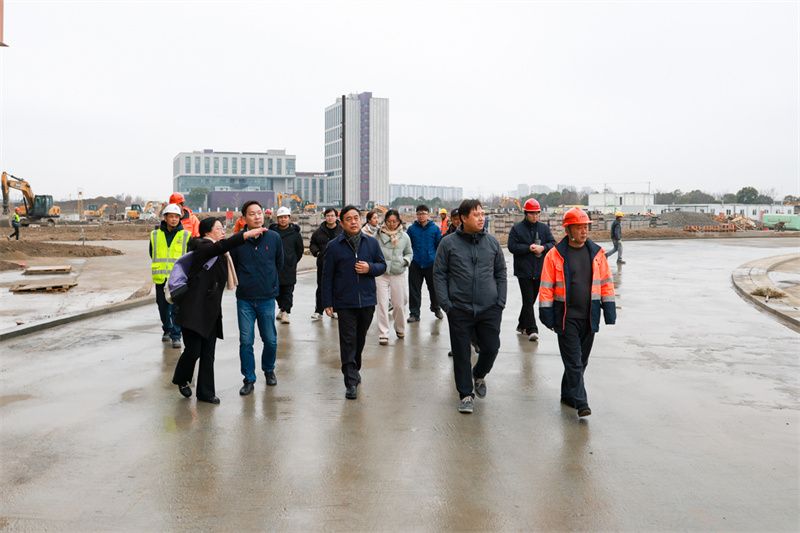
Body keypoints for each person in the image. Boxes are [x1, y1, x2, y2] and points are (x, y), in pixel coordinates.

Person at [171, 218, 267, 404]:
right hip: (193, 310)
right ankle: (181, 378)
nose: (223, 231)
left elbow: (227, 252)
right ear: (207, 232)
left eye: (223, 229)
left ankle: (206, 393)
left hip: (212, 311)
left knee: (208, 354)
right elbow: (220, 246)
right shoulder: (202, 247)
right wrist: (245, 234)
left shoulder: (223, 254)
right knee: (193, 351)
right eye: (219, 229)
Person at [539, 207, 616, 418]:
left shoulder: (597, 254)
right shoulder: (554, 255)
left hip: (589, 316)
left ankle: (568, 394)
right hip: (566, 317)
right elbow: (546, 287)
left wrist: (609, 310)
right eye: (579, 227)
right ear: (568, 230)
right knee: (573, 362)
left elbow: (606, 283)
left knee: (581, 362)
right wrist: (546, 314)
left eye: (586, 227)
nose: (584, 231)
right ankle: (582, 402)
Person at [434, 199, 506, 414]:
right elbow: (439, 274)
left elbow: (501, 273)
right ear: (463, 218)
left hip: (489, 307)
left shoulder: (492, 243)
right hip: (459, 308)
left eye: (482, 214)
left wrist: (500, 301)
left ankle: (479, 374)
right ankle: (465, 394)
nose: (481, 218)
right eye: (476, 214)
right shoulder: (448, 244)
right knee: (461, 353)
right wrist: (446, 304)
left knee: (491, 347)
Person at [322, 205, 387, 399]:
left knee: (360, 339)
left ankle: (354, 368)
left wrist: (370, 268)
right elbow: (327, 276)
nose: (353, 222)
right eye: (348, 219)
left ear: (360, 220)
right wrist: (327, 301)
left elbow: (382, 265)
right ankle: (350, 381)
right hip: (344, 302)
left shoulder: (371, 243)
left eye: (356, 218)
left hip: (367, 300)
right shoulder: (334, 246)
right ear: (342, 223)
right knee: (348, 340)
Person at [229, 200, 284, 396]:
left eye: (259, 213)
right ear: (244, 218)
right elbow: (233, 265)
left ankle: (268, 370)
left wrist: (270, 283)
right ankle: (249, 379)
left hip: (267, 298)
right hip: (245, 299)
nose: (257, 216)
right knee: (246, 341)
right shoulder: (238, 240)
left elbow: (279, 263)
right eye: (252, 214)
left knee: (270, 340)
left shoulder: (274, 237)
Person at [507, 198, 556, 342]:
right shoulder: (517, 229)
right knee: (528, 300)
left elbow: (553, 243)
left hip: (540, 270)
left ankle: (522, 324)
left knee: (530, 301)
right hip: (524, 271)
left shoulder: (544, 228)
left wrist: (543, 248)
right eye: (532, 213)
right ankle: (532, 329)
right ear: (526, 213)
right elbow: (512, 247)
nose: (535, 216)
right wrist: (528, 248)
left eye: (537, 213)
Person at [149, 204, 191, 349]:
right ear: (165, 218)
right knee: (162, 307)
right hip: (161, 278)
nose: (174, 219)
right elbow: (152, 253)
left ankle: (176, 335)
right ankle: (167, 328)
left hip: (177, 279)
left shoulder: (185, 235)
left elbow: (189, 256)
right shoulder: (155, 235)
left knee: (176, 309)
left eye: (176, 217)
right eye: (171, 216)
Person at [375, 209, 413, 345]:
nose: (391, 224)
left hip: (398, 272)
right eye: (389, 221)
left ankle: (400, 328)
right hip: (381, 273)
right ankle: (383, 333)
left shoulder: (405, 237)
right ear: (385, 221)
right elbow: (372, 251)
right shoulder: (378, 235)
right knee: (382, 303)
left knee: (398, 304)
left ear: (399, 222)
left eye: (394, 221)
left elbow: (409, 253)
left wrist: (404, 261)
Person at [406, 204, 443, 322]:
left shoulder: (435, 229)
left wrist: (437, 260)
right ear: (416, 215)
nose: (421, 216)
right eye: (419, 214)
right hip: (415, 263)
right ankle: (414, 313)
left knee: (434, 288)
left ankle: (436, 308)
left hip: (431, 264)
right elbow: (407, 246)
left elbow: (439, 246)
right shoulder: (411, 229)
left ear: (428, 215)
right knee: (414, 290)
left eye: (423, 213)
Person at [269, 206, 304, 324]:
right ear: (277, 219)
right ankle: (282, 308)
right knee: (276, 291)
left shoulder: (295, 234)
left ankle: (285, 312)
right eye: (280, 217)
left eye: (285, 217)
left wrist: (292, 261)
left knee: (288, 291)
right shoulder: (272, 233)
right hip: (275, 267)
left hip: (289, 267)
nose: (283, 219)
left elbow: (299, 250)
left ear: (289, 218)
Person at [309, 207, 342, 320]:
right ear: (325, 217)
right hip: (323, 264)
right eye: (328, 216)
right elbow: (312, 244)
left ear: (336, 217)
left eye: (332, 215)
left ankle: (336, 310)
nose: (330, 218)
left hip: (339, 264)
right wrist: (317, 252)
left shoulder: (342, 230)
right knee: (321, 287)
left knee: (337, 286)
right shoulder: (319, 231)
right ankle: (319, 311)